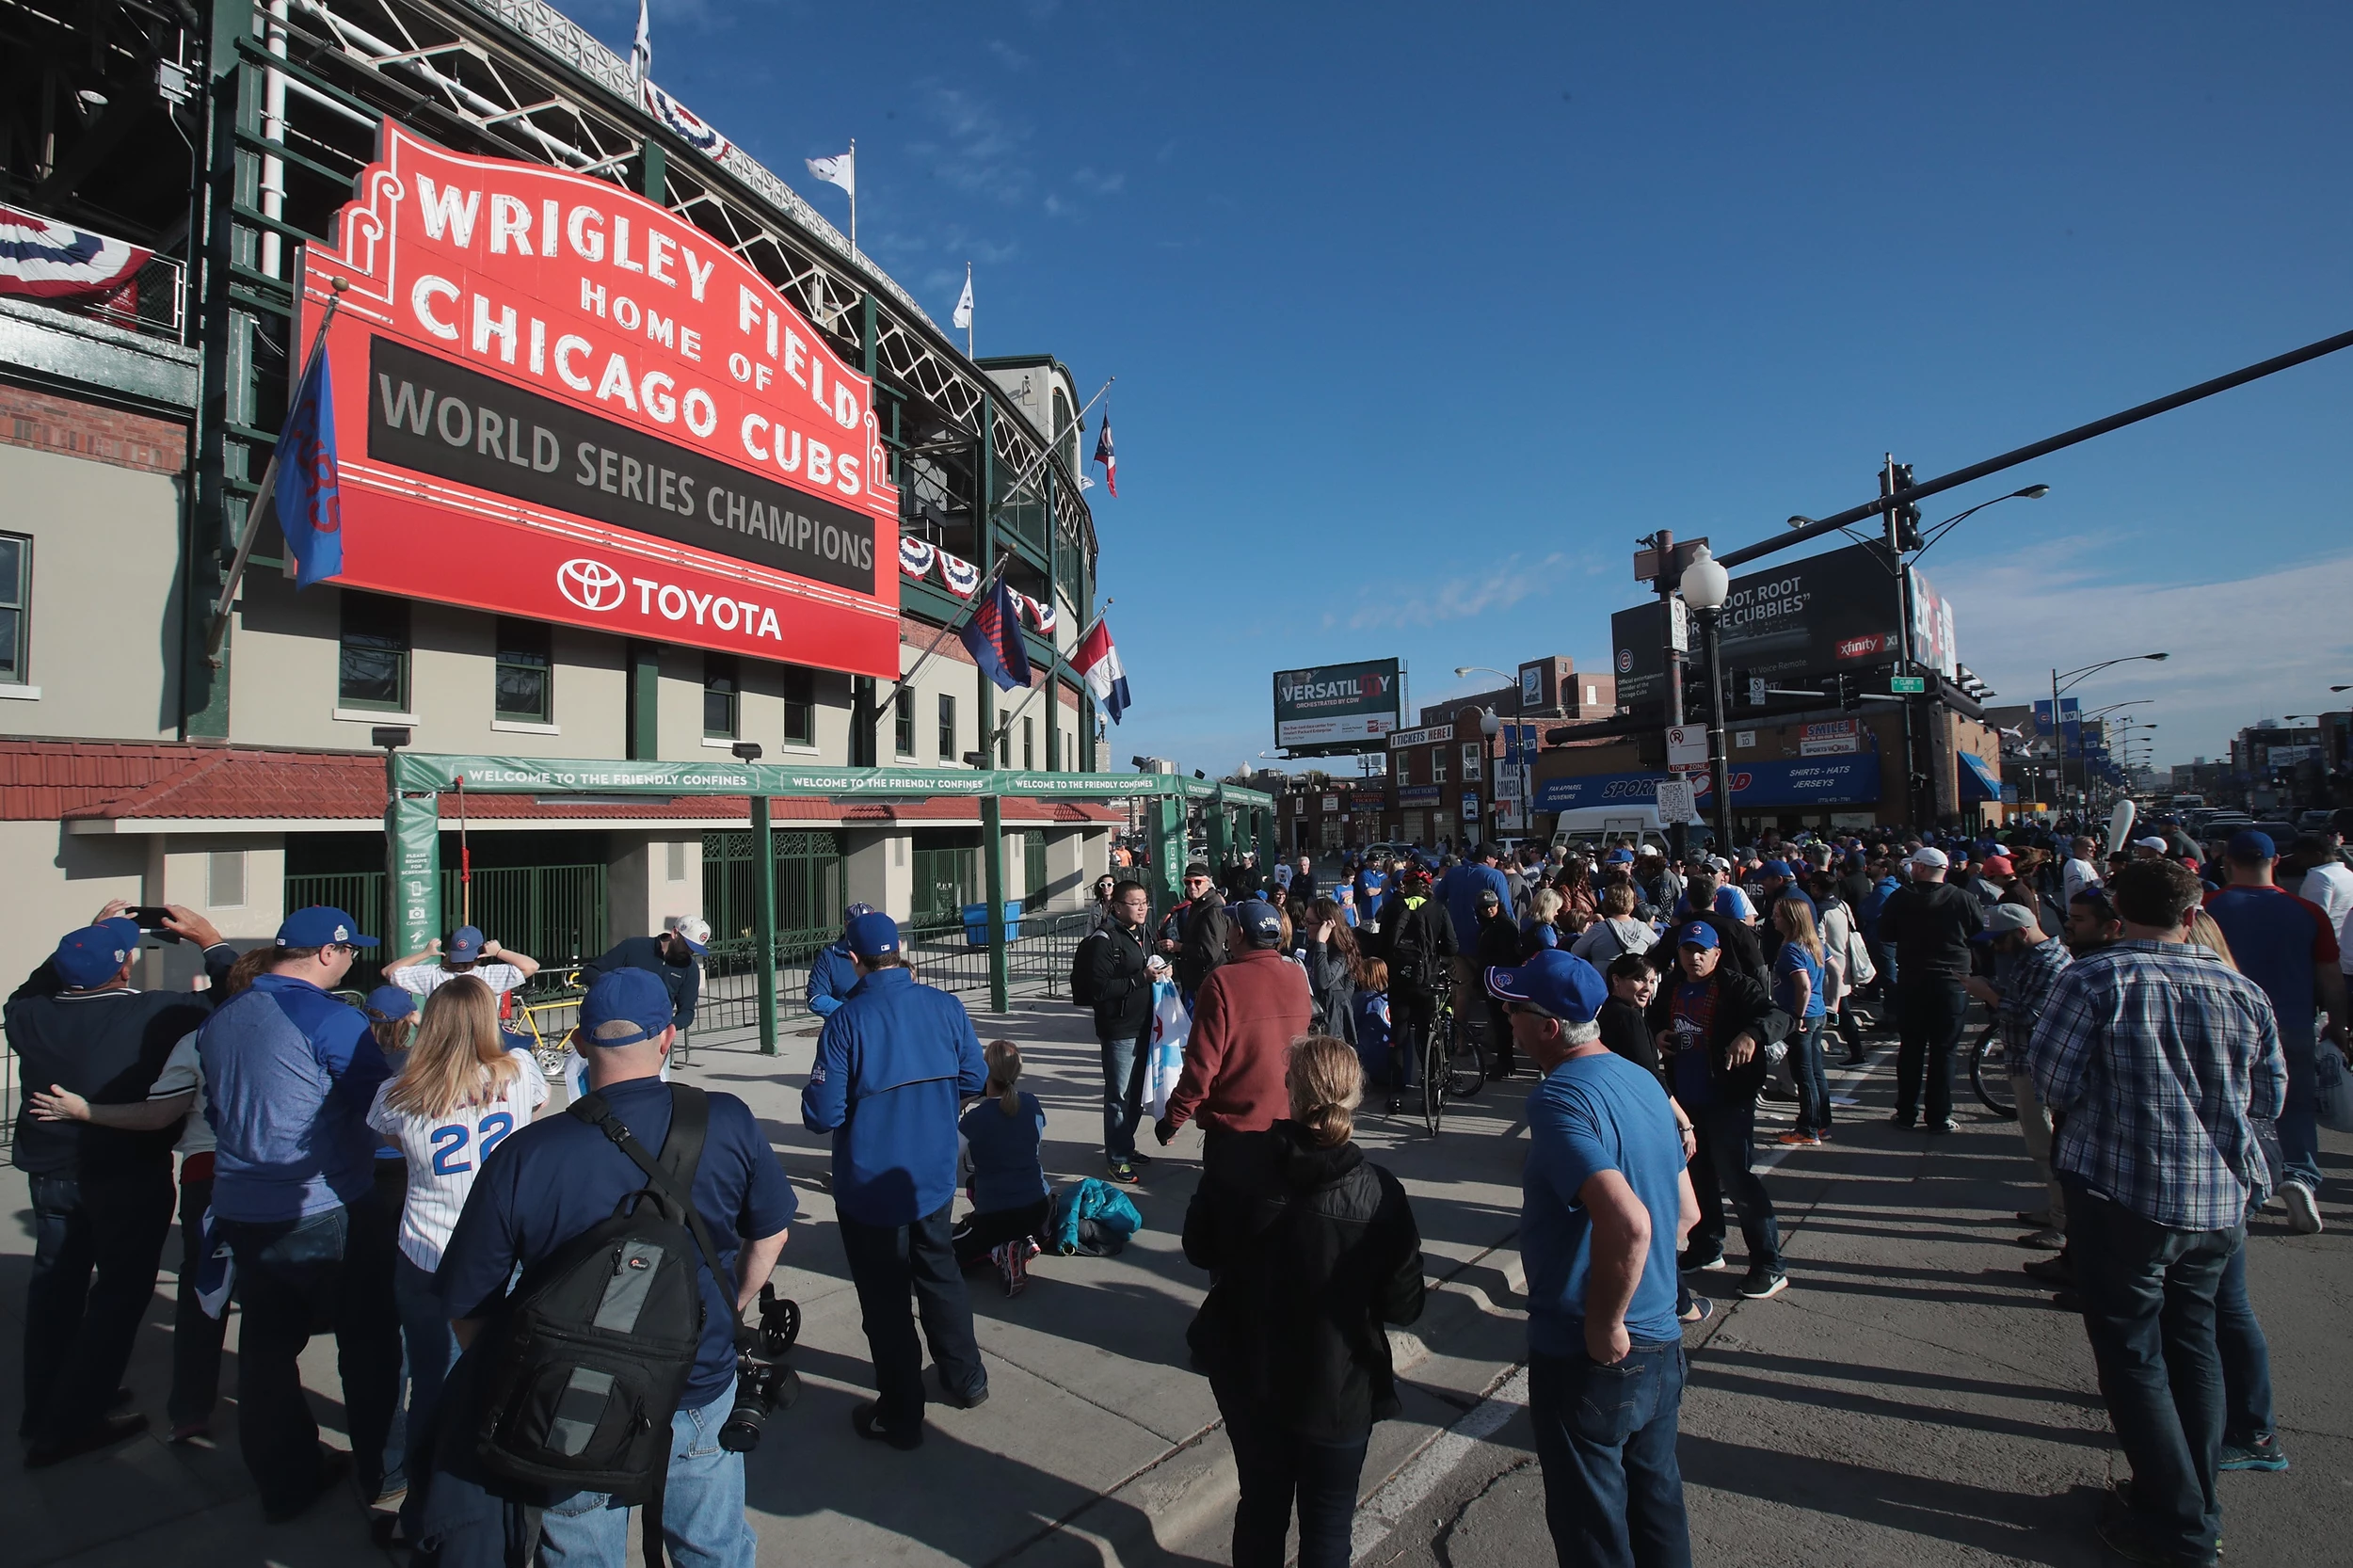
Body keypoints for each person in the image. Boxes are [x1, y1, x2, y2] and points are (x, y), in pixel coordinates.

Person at [433, 968, 794, 1565]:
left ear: (578, 1042)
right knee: (713, 1545)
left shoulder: (524, 1154)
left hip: (571, 1395)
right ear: (668, 1037)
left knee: (579, 1550)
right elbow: (772, 1232)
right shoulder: (727, 1120)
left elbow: (469, 1308)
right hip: (696, 1378)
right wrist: (729, 1308)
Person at [2029, 859, 2284, 1568]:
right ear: (2195, 908)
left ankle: (2179, 1523)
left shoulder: (2093, 978)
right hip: (2216, 1200)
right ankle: (2192, 1502)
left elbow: (2054, 1079)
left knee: (2136, 1357)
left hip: (2123, 1192)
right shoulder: (2241, 989)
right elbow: (2270, 1100)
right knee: (2191, 1344)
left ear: (2117, 908)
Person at [1181, 1036, 1425, 1568]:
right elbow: (1405, 1305)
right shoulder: (1380, 1194)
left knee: (1262, 1506)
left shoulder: (1234, 1162)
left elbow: (1198, 1248)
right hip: (1336, 1387)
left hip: (1250, 1374)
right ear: (1355, 1097)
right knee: (1328, 1523)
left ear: (1289, 1090)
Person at [1490, 948, 1700, 1567]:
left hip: (1592, 1354)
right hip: (1662, 1342)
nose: (1507, 1019)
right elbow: (1685, 1215)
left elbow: (1630, 1223)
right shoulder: (1639, 1078)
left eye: (1515, 1010)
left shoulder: (1558, 1100)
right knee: (1657, 1501)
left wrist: (1607, 1323)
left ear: (1548, 1028)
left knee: (1593, 1526)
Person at [8, 905, 234, 1464]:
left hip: (52, 1174)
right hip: (127, 1175)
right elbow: (235, 1000)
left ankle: (43, 1406)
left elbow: (29, 990)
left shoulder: (32, 1017)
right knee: (117, 1297)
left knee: (55, 1292)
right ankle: (72, 1420)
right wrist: (211, 942)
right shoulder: (159, 1014)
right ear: (126, 968)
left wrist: (83, 937)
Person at [197, 905, 401, 1520]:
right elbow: (382, 1109)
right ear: (326, 953)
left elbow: (216, 1111)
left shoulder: (224, 1017)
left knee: (265, 1348)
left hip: (241, 1205)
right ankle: (384, 1480)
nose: (352, 960)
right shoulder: (330, 1019)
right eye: (349, 951)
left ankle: (285, 1483)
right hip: (325, 1204)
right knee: (368, 1346)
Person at [363, 973, 547, 1542]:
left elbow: (389, 1145)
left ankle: (422, 1515)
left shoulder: (397, 1092)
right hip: (504, 1249)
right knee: (512, 1377)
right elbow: (533, 1117)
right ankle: (509, 1499)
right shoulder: (520, 1073)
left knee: (433, 1386)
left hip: (428, 1249)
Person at [802, 911, 989, 1446]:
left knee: (885, 1301)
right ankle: (967, 1378)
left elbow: (823, 1114)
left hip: (870, 1186)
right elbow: (975, 1077)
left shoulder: (847, 1022)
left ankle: (902, 1415)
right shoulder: (944, 1006)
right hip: (929, 1176)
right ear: (900, 949)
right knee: (940, 1274)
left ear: (853, 961)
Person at [2200, 829, 2349, 1235]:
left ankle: (2247, 1186)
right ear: (2276, 862)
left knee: (2235, 1108)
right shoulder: (2306, 911)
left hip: (2228, 1028)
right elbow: (2332, 979)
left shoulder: (2207, 908)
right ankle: (2300, 1176)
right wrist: (2338, 1024)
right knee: (2295, 1107)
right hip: (2293, 1023)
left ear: (2227, 861)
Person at [1653, 922, 1789, 1300]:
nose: (1694, 957)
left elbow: (1779, 1018)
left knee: (1738, 1181)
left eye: (1702, 951)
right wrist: (1659, 1034)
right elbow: (1655, 1021)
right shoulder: (1672, 987)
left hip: (1729, 1100)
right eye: (1687, 950)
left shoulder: (1737, 987)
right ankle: (1706, 1247)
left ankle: (1769, 1264)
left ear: (1717, 954)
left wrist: (1752, 1034)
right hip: (1689, 1099)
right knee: (1697, 1178)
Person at [1158, 900, 1316, 1171]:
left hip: (1235, 1129)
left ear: (1239, 933)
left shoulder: (1221, 982)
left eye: (1230, 926)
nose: (1226, 932)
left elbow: (1202, 1065)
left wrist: (1173, 1118)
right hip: (1288, 1119)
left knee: (1224, 1209)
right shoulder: (1296, 974)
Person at [1961, 904, 2073, 1252]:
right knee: (2043, 1146)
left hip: (2036, 1066)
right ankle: (2058, 1211)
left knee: (2047, 1148)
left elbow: (2031, 1015)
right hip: (2025, 1061)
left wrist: (1988, 994)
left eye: (2000, 940)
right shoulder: (2037, 958)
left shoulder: (2049, 964)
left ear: (2022, 932)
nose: (1995, 948)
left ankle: (2065, 1224)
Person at [1875, 847, 1986, 1132]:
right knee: (1944, 1051)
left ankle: (1906, 1113)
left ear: (1922, 868)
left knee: (1911, 1049)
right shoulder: (1964, 898)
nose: (1910, 870)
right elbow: (1979, 936)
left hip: (1913, 981)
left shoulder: (1900, 898)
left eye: (1914, 865)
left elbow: (1885, 934)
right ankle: (1939, 1116)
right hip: (1952, 983)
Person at [953, 1040, 1051, 1295]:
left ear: (985, 1072)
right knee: (979, 1184)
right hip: (1039, 1206)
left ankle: (1000, 1250)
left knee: (944, 1258)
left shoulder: (976, 1119)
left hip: (997, 1214)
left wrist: (962, 1105)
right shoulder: (1031, 1103)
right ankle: (1023, 1239)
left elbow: (948, 1158)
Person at [1083, 880, 1157, 1184]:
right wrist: (1140, 979)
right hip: (1119, 1030)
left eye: (1144, 902)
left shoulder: (1143, 934)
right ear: (1116, 907)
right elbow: (1098, 988)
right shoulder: (1104, 939)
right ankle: (1117, 1156)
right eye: (1134, 903)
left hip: (1143, 1025)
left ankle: (1126, 1144)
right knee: (1119, 1094)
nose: (1141, 908)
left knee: (1136, 1095)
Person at [1372, 867, 1457, 1110]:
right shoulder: (1438, 909)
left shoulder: (1394, 908)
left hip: (1399, 981)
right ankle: (1430, 1094)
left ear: (1405, 886)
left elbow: (1382, 945)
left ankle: (1396, 1094)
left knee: (1398, 1037)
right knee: (1426, 1034)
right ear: (1427, 887)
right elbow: (1452, 947)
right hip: (1427, 981)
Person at [1770, 900, 1833, 1147]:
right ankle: (1822, 1122)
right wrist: (1832, 1002)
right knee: (1815, 1071)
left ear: (1791, 919)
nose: (1774, 919)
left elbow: (1803, 985)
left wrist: (1798, 1015)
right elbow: (1835, 970)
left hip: (1803, 1018)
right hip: (1817, 1013)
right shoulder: (1815, 944)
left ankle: (1808, 1128)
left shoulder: (1792, 949)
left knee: (1803, 1074)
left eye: (1778, 915)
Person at [581, 918, 709, 1033]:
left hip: (654, 1038)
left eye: (695, 949)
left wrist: (665, 1025)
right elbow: (591, 971)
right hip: (615, 1028)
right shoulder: (633, 947)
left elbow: (687, 1013)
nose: (690, 952)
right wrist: (614, 993)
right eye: (687, 945)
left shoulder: (690, 969)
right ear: (675, 934)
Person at [380, 924, 541, 1000]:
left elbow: (389, 972)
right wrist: (499, 951)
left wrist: (424, 954)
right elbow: (531, 966)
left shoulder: (432, 974)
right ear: (481, 953)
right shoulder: (488, 976)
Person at [1160, 862, 1233, 1008]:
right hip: (1196, 982)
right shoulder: (1199, 904)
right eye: (1188, 882)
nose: (1192, 886)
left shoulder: (1212, 909)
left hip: (1205, 984)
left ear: (1208, 882)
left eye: (1197, 882)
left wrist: (1179, 947)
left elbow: (1209, 952)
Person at [1473, 888, 1524, 1079]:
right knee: (1499, 1023)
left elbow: (1511, 956)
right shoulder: (1486, 926)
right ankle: (1505, 1062)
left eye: (1492, 906)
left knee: (1503, 1024)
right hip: (1492, 979)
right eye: (1484, 907)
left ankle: (1505, 1063)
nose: (1488, 910)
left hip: (1503, 980)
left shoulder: (1505, 926)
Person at [1304, 897, 1361, 1047]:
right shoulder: (1313, 948)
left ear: (1326, 924)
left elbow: (1323, 981)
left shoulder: (1342, 952)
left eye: (1310, 922)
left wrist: (1321, 942)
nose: (1306, 926)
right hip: (1315, 1020)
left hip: (1334, 1027)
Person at [808, 903, 880, 1019]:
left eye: (869, 926)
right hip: (845, 1027)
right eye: (859, 926)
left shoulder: (882, 952)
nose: (864, 931)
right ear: (846, 925)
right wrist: (853, 1013)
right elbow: (816, 998)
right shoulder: (829, 956)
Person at [1572, 883, 1658, 968]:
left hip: (1603, 980)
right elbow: (1659, 950)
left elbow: (1575, 952)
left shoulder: (1598, 929)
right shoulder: (1644, 929)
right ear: (1631, 903)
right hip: (1635, 980)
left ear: (1606, 903)